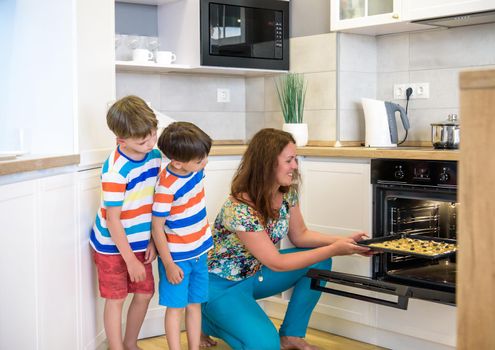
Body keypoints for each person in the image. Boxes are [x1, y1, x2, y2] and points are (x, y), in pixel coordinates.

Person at [200, 128, 371, 350]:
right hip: (221, 286)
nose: (295, 166)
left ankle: (291, 335)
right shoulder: (239, 208)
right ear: (267, 163)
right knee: (266, 346)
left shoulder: (287, 193)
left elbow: (301, 236)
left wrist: (346, 242)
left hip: (255, 275)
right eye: (289, 160)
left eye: (295, 159)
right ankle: (207, 319)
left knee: (319, 263)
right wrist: (334, 249)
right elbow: (277, 262)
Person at [89, 95, 161, 350]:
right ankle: (116, 347)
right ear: (121, 140)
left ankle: (131, 344)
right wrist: (130, 259)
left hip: (139, 239)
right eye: (143, 140)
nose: (151, 143)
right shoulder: (116, 171)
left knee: (144, 293)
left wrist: (152, 239)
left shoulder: (154, 156)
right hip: (111, 244)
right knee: (115, 298)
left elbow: (153, 202)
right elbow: (113, 220)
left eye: (153, 135)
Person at [152, 122, 214, 350]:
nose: (205, 162)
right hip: (177, 258)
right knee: (175, 307)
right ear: (177, 162)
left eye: (205, 156)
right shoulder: (166, 187)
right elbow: (157, 227)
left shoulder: (195, 169)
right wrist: (168, 264)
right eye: (200, 160)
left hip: (200, 253)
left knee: (195, 304)